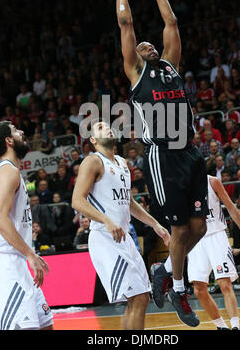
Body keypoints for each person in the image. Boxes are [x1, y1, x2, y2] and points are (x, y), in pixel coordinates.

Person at [116, 0, 209, 326]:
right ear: (136, 55)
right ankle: (179, 291)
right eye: (143, 45)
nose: (149, 44)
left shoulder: (170, 65)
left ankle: (165, 271)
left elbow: (171, 22)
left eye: (151, 44)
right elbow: (126, 25)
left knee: (199, 228)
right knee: (181, 230)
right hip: (163, 154)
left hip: (190, 152)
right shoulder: (137, 73)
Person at [72, 120, 170, 330]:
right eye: (100, 127)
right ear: (93, 140)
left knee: (142, 297)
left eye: (107, 125)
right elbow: (77, 200)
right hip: (105, 238)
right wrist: (106, 220)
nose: (107, 127)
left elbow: (130, 203)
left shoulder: (122, 162)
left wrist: (155, 224)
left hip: (124, 238)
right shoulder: (93, 161)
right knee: (137, 297)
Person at [152, 175, 240, 330]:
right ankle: (221, 326)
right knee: (199, 288)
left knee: (224, 283)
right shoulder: (181, 185)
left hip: (217, 235)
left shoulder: (212, 182)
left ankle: (235, 327)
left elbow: (231, 207)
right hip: (196, 240)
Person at [0, 121, 53, 330]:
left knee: (45, 325)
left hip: (17, 259)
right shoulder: (7, 172)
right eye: (15, 130)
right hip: (5, 264)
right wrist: (30, 254)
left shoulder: (12, 172)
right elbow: (0, 219)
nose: (22, 132)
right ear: (9, 141)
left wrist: (28, 253)